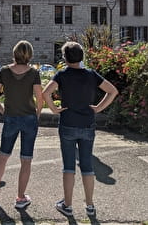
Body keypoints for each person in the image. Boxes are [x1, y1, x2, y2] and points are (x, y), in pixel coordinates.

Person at [42, 41, 118, 217]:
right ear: (81, 56)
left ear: (65, 57)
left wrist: (54, 109)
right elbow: (112, 91)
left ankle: (67, 205)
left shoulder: (62, 75)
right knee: (87, 165)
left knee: (69, 166)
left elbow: (46, 93)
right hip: (87, 124)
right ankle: (90, 205)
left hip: (68, 123)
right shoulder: (91, 75)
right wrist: (98, 108)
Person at [0, 40, 43, 208]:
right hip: (29, 118)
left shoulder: (4, 71)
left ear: (14, 53)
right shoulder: (33, 73)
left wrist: (2, 110)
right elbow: (39, 98)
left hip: (11, 117)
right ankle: (20, 198)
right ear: (30, 55)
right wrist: (38, 113)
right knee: (26, 159)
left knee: (3, 156)